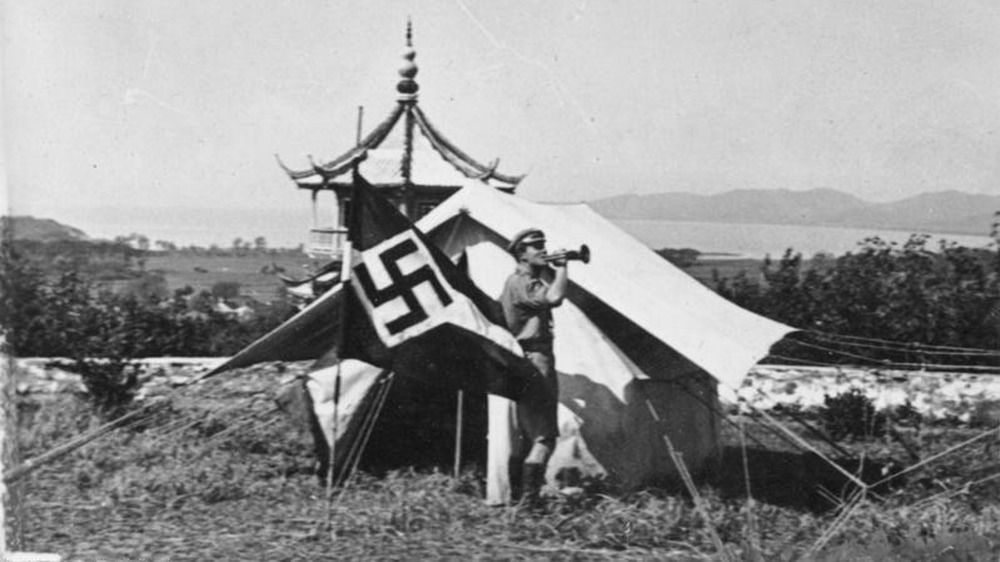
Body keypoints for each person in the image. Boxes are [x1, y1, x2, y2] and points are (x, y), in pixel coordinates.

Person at [499, 227, 569, 506]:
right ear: (521, 253)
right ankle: (528, 503)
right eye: (535, 246)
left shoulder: (519, 281)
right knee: (545, 436)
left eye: (543, 244)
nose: (543, 249)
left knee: (527, 435)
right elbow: (555, 298)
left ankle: (518, 497)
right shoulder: (523, 283)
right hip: (536, 359)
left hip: (523, 359)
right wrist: (562, 269)